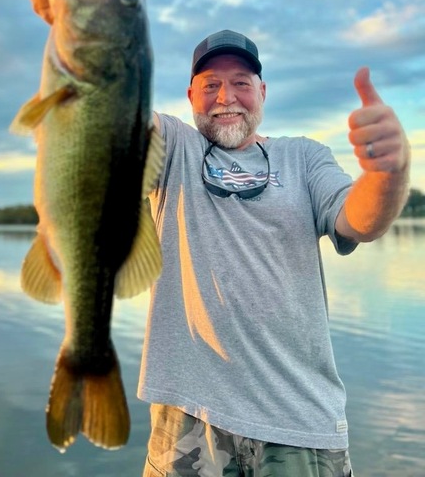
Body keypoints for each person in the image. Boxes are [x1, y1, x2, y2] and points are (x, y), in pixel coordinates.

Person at [138, 29, 410, 477]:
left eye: (242, 82)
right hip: (191, 419)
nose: (227, 96)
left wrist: (388, 172)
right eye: (210, 84)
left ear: (262, 92)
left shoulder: (303, 157)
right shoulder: (173, 148)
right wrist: (82, 29)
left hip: (300, 423)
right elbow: (110, 118)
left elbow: (357, 220)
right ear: (190, 95)